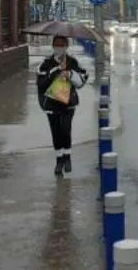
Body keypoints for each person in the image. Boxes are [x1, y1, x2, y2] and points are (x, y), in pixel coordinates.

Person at [36, 35, 89, 176]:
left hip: (68, 104)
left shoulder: (73, 62)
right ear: (53, 46)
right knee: (56, 132)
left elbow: (82, 81)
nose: (60, 47)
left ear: (67, 46)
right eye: (57, 44)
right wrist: (57, 70)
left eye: (62, 44)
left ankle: (67, 157)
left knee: (66, 129)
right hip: (51, 104)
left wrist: (70, 73)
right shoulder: (45, 63)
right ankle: (59, 160)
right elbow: (41, 83)